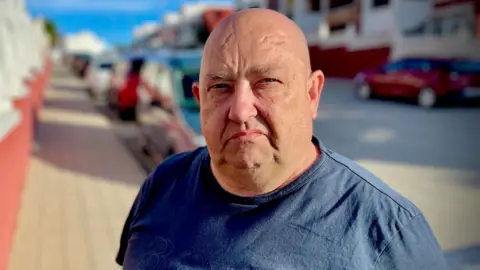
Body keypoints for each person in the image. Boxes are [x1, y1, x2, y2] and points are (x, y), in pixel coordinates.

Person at [116, 8, 448, 269]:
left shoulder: (387, 233)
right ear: (200, 99)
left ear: (312, 94)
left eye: (267, 82)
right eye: (220, 87)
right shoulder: (162, 184)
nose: (241, 110)